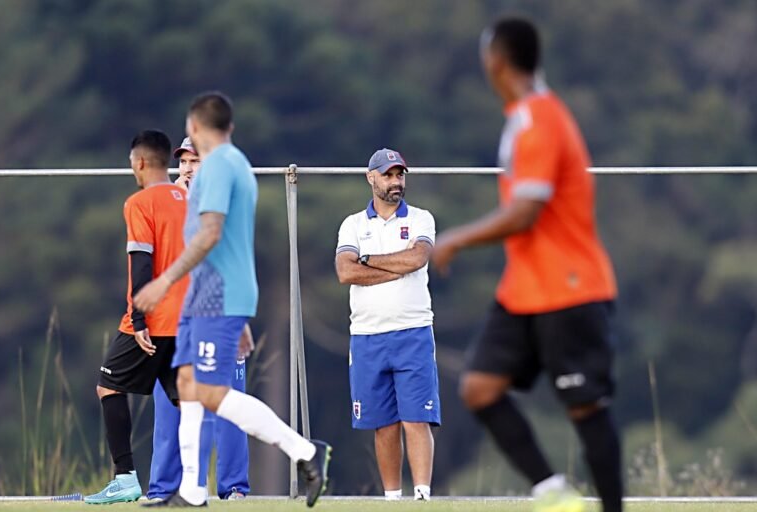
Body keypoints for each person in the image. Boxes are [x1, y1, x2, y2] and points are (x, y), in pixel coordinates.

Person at [431, 18, 622, 512]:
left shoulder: (540, 119)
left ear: (495, 60)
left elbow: (525, 212)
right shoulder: (522, 117)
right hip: (524, 288)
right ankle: (555, 494)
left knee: (585, 408)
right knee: (479, 387)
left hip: (570, 285)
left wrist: (455, 239)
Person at [134, 91, 330, 508]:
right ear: (231, 127)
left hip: (216, 294)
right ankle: (189, 492)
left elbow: (212, 233)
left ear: (192, 127)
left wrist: (163, 281)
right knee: (187, 384)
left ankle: (304, 451)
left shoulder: (221, 164)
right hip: (206, 295)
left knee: (207, 390)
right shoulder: (229, 162)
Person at [85, 130, 188, 504]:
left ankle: (125, 478)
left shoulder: (139, 203)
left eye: (131, 162)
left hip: (153, 318)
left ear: (141, 162)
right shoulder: (188, 199)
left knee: (108, 386)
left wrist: (140, 319)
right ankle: (192, 486)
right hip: (187, 318)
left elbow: (142, 263)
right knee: (190, 400)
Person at [147, 137, 251, 502]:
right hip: (173, 322)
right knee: (170, 408)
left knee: (228, 404)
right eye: (185, 162)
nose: (190, 168)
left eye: (198, 161)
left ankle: (234, 488)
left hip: (219, 315)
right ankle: (165, 489)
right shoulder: (162, 203)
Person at [335, 148, 440, 501]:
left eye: (400, 175)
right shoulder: (353, 224)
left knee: (416, 419)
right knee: (384, 424)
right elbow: (345, 271)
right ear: (371, 178)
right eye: (388, 175)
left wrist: (368, 261)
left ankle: (423, 494)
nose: (396, 182)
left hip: (413, 331)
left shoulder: (422, 218)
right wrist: (394, 266)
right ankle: (392, 498)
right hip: (367, 336)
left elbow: (418, 258)